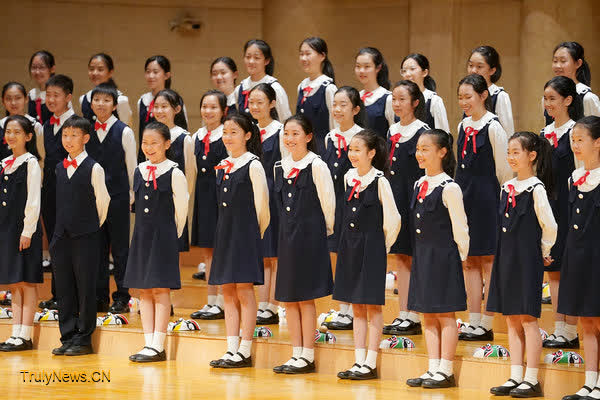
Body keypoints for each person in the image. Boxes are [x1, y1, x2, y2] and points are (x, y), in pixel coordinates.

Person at [487, 131, 557, 398]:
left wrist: (544, 250)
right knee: (512, 318)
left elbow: (549, 225)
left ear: (532, 155)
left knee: (528, 319)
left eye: (516, 152)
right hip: (506, 256)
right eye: (509, 152)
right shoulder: (507, 186)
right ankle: (515, 375)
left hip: (527, 258)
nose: (511, 157)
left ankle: (531, 378)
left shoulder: (536, 188)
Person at [406, 129, 469, 389]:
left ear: (442, 152)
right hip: (423, 256)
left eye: (425, 149)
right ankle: (433, 368)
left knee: (445, 315)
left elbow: (460, 228)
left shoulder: (449, 187)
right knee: (427, 315)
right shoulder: (418, 184)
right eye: (418, 149)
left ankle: (446, 369)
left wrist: (460, 258)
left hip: (444, 257)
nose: (419, 154)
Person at [272, 114, 335, 374]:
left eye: (296, 133)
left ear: (309, 137)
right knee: (289, 298)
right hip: (287, 238)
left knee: (306, 298)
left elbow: (328, 204)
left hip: (310, 237)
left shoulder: (317, 165)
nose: (290, 138)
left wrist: (323, 232)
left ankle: (307, 355)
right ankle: (295, 352)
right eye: (287, 133)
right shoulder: (280, 166)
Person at [208, 112, 270, 369]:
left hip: (245, 235)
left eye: (234, 132)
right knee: (227, 291)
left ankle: (245, 350)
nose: (228, 137)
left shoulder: (253, 164)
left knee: (244, 291)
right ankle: (231, 348)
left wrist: (253, 236)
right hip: (225, 234)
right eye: (225, 132)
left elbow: (262, 208)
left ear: (247, 135)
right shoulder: (222, 164)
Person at [124, 121, 189, 362]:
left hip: (164, 238)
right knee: (144, 290)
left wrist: (172, 237)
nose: (149, 148)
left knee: (161, 290)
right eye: (145, 143)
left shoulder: (174, 172)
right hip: (142, 236)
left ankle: (158, 345)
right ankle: (147, 341)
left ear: (167, 144)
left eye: (154, 143)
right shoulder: (139, 170)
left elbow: (181, 211)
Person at [50, 115, 110, 356]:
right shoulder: (58, 167)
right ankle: (67, 336)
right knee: (64, 288)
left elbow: (103, 204)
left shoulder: (94, 167)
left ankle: (84, 338)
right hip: (61, 237)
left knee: (86, 287)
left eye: (74, 135)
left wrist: (89, 226)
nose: (69, 139)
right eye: (65, 135)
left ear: (85, 138)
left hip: (86, 236)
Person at [0, 116, 43, 352]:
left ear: (28, 137)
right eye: (8, 131)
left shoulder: (31, 163)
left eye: (17, 132)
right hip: (6, 230)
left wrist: (28, 231)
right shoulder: (4, 162)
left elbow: (34, 201)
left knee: (26, 282)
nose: (11, 136)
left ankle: (25, 334)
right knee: (15, 283)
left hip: (25, 230)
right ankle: (15, 332)